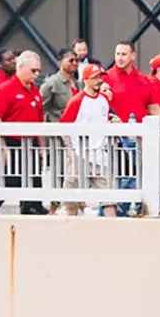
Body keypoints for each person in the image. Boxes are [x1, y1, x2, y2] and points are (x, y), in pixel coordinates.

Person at [0, 49, 46, 215]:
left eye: (38, 71)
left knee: (35, 176)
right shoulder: (5, 89)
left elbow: (40, 120)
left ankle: (32, 206)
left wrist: (42, 148)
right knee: (10, 179)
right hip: (14, 142)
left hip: (32, 142)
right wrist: (2, 146)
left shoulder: (34, 90)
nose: (36, 74)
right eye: (33, 70)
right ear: (21, 67)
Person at [58, 63, 119, 217]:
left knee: (109, 197)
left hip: (100, 154)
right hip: (80, 153)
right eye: (95, 77)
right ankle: (68, 228)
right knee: (70, 196)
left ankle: (112, 229)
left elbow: (101, 119)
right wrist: (69, 149)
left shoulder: (104, 99)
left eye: (100, 77)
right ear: (85, 80)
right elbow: (64, 126)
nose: (99, 80)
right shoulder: (77, 101)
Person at [104, 41, 160, 122]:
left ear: (133, 56)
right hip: (116, 132)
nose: (119, 58)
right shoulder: (105, 78)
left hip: (142, 132)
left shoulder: (144, 80)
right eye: (117, 54)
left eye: (123, 54)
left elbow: (154, 108)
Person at [40, 48, 79, 123]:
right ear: (60, 62)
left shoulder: (80, 84)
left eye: (77, 60)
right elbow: (41, 108)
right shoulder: (51, 83)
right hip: (58, 129)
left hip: (78, 129)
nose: (75, 63)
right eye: (71, 60)